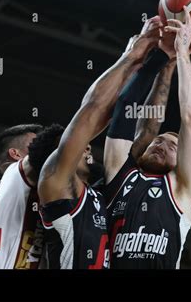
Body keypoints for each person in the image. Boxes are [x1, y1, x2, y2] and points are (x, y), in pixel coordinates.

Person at [37, 17, 161, 269]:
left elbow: (124, 120)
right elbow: (92, 110)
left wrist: (159, 61)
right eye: (79, 144)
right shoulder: (56, 185)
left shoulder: (93, 192)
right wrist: (130, 56)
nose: (87, 145)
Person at [104, 7, 191, 268]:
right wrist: (159, 57)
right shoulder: (119, 172)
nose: (161, 143)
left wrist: (182, 54)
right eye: (159, 140)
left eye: (173, 146)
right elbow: (125, 105)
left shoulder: (183, 189)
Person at [0, 124, 62, 269]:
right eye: (34, 143)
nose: (38, 145)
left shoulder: (8, 191)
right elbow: (50, 144)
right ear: (16, 154)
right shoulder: (14, 174)